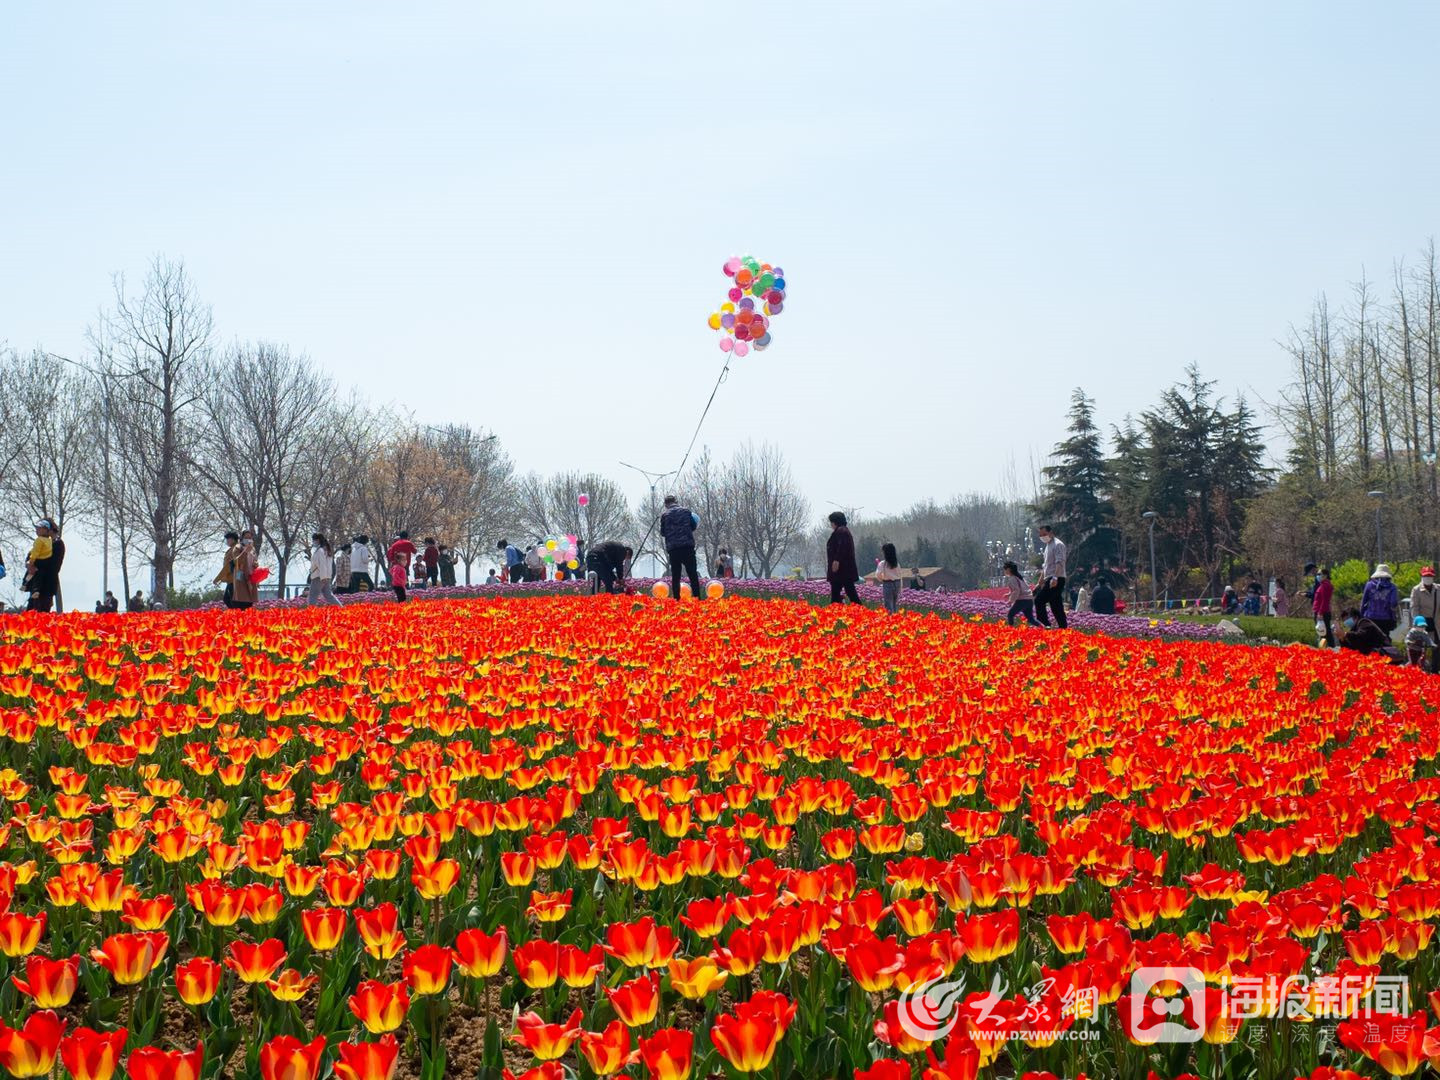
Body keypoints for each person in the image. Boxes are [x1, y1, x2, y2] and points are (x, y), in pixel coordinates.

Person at [660, 495, 702, 602]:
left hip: (674, 549)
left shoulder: (665, 515)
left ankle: (676, 599)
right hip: (687, 546)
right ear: (676, 501)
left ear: (666, 504)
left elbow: (663, 533)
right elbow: (693, 526)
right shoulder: (686, 511)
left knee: (676, 575)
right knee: (692, 573)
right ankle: (697, 598)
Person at [25, 519, 64, 613]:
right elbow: (31, 555)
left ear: (49, 530)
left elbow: (52, 565)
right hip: (35, 584)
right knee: (30, 611)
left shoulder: (57, 544)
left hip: (46, 584)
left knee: (41, 612)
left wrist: (34, 564)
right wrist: (28, 564)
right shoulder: (41, 542)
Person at [1034, 524, 1068, 629]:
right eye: (1041, 535)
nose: (1043, 536)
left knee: (1039, 600)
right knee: (1056, 606)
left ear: (1051, 532)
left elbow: (1060, 563)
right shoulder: (1048, 546)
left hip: (1056, 578)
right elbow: (1045, 568)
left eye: (1044, 534)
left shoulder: (1058, 545)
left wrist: (1055, 578)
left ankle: (1045, 625)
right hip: (1050, 578)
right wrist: (1039, 584)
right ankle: (1063, 628)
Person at [825, 511, 861, 605]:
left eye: (831, 522)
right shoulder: (841, 531)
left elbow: (842, 547)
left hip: (842, 570)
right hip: (843, 571)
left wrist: (836, 560)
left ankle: (860, 611)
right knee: (841, 593)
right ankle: (837, 611)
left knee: (848, 593)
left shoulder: (842, 531)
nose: (831, 524)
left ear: (835, 522)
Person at [1411, 566, 1440, 670]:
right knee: (1421, 647)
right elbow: (1414, 607)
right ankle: (1421, 669)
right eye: (1426, 576)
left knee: (1436, 647)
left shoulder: (1438, 589)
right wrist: (1418, 623)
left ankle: (1435, 670)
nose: (1428, 578)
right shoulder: (1416, 590)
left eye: (1430, 576)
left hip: (1436, 622)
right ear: (1422, 576)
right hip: (1422, 621)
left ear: (1433, 577)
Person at [1361, 564, 1400, 638]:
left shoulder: (1369, 585)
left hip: (1371, 617)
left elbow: (1364, 602)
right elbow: (1393, 603)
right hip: (1386, 619)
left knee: (1371, 639)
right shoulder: (1392, 587)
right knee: (1385, 639)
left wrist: (1361, 615)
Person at [307, 533, 342, 607]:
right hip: (326, 576)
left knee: (312, 596)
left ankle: (310, 612)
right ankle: (340, 608)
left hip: (319, 576)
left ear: (318, 540)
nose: (313, 542)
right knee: (329, 596)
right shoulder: (326, 550)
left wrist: (323, 577)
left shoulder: (320, 551)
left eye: (314, 540)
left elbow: (322, 565)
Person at [1002, 560, 1041, 626]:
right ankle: (1043, 628)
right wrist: (1009, 594)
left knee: (1010, 614)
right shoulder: (1019, 577)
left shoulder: (1012, 578)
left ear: (1008, 569)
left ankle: (1010, 631)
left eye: (1005, 569)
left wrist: (1011, 600)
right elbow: (1019, 589)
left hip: (1022, 600)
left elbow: (1017, 591)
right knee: (1030, 619)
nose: (1004, 571)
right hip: (1029, 600)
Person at [230, 530, 259, 610]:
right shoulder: (237, 548)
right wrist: (245, 552)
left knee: (250, 600)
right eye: (246, 537)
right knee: (242, 598)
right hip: (241, 575)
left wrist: (256, 563)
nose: (248, 539)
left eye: (250, 538)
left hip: (251, 576)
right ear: (242, 538)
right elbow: (236, 561)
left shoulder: (252, 549)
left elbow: (255, 559)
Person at [875, 542, 906, 614]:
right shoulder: (897, 564)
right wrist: (900, 587)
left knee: (888, 605)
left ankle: (890, 621)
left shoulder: (883, 563)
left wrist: (882, 580)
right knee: (895, 604)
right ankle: (895, 619)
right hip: (897, 583)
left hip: (888, 584)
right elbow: (900, 575)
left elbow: (878, 574)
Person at [214, 530, 241, 608]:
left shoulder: (235, 550)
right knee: (228, 599)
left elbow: (229, 566)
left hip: (235, 579)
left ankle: (237, 616)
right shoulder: (231, 549)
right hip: (231, 579)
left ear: (233, 539)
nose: (227, 541)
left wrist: (218, 578)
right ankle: (235, 615)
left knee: (232, 600)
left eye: (228, 539)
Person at [1313, 567, 1335, 647]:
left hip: (1322, 612)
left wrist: (1320, 613)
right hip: (1323, 611)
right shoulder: (1324, 585)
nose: (1318, 576)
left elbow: (1324, 601)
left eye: (1319, 574)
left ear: (1325, 575)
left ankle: (1328, 647)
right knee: (1325, 631)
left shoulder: (1325, 586)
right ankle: (1330, 647)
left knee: (1324, 632)